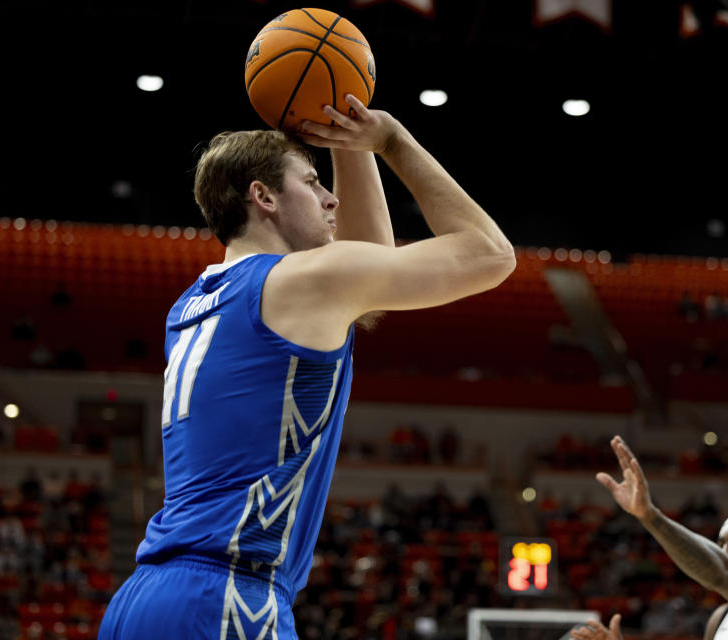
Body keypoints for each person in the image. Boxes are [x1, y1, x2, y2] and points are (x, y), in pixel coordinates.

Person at [98, 94, 515, 639]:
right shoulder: (301, 281)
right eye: (313, 181)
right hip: (226, 600)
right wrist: (389, 141)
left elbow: (365, 277)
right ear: (263, 196)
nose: (330, 198)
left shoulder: (193, 303)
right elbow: (490, 254)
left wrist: (351, 145)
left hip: (143, 600)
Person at [571, 436, 728, 640]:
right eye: (721, 544)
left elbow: (721, 574)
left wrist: (651, 517)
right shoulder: (721, 618)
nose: (727, 551)